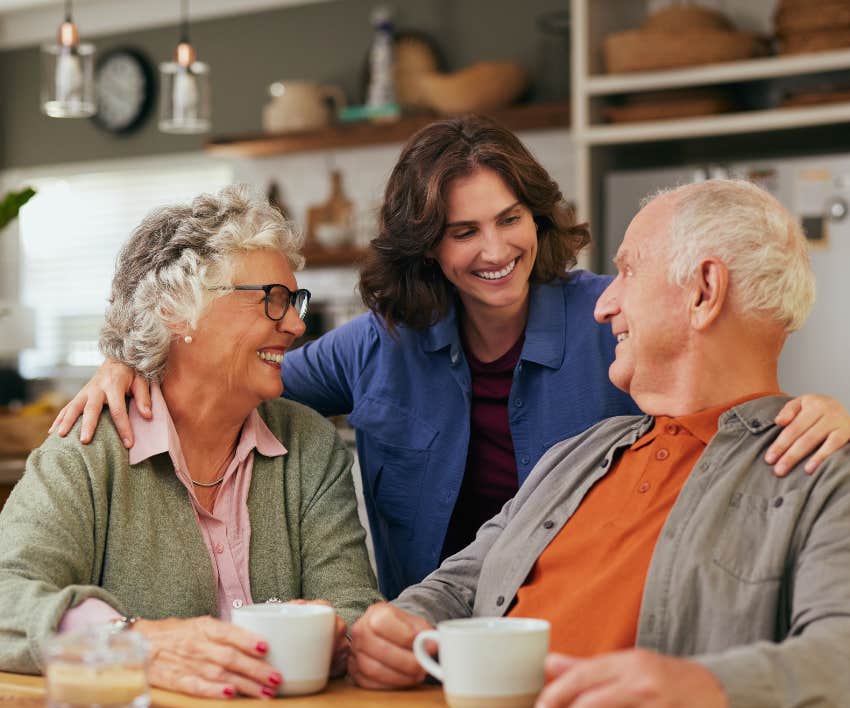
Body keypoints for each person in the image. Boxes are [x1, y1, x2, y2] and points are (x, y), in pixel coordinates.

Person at [49, 117, 850, 599]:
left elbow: (735, 376)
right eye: (464, 232)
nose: (496, 250)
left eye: (511, 219)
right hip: (426, 638)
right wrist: (133, 365)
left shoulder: (616, 312)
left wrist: (815, 408)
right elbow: (232, 377)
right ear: (425, 247)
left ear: (538, 217)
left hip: (588, 631)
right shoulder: (379, 343)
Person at [347, 178, 850, 708]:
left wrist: (718, 692)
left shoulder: (824, 470)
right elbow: (458, 585)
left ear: (704, 291)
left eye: (629, 272)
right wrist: (404, 626)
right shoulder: (578, 453)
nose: (604, 302)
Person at [0, 185, 382, 698]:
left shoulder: (309, 444)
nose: (294, 324)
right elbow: (7, 599)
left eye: (295, 300)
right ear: (175, 311)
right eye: (272, 299)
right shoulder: (88, 450)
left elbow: (353, 608)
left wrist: (335, 632)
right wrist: (135, 642)